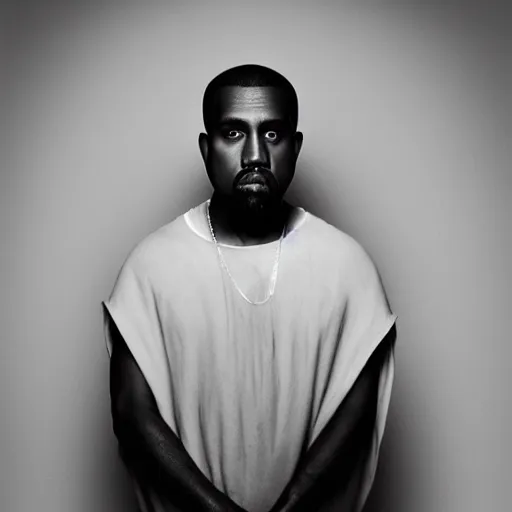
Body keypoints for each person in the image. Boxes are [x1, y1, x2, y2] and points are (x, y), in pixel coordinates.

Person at [102, 64, 398, 512]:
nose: (256, 155)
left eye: (273, 134)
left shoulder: (347, 267)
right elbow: (132, 416)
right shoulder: (151, 268)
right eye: (234, 133)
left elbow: (355, 418)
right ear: (207, 148)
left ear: (295, 147)